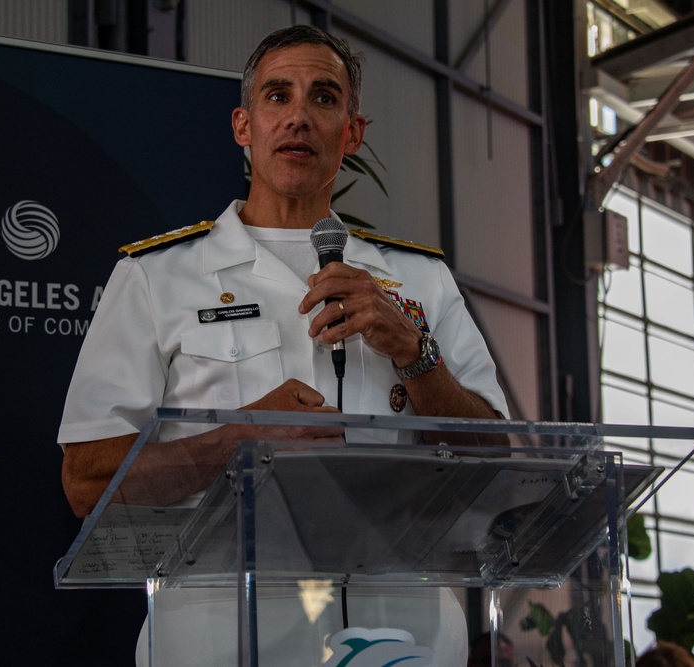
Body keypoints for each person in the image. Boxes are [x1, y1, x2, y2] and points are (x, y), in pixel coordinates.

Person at [58, 24, 509, 666]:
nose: (298, 115)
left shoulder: (421, 281)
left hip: (409, 637)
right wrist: (238, 440)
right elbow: (86, 480)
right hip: (222, 637)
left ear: (352, 133)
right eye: (278, 96)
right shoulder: (157, 277)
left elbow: (497, 459)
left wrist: (416, 353)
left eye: (324, 98)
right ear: (244, 126)